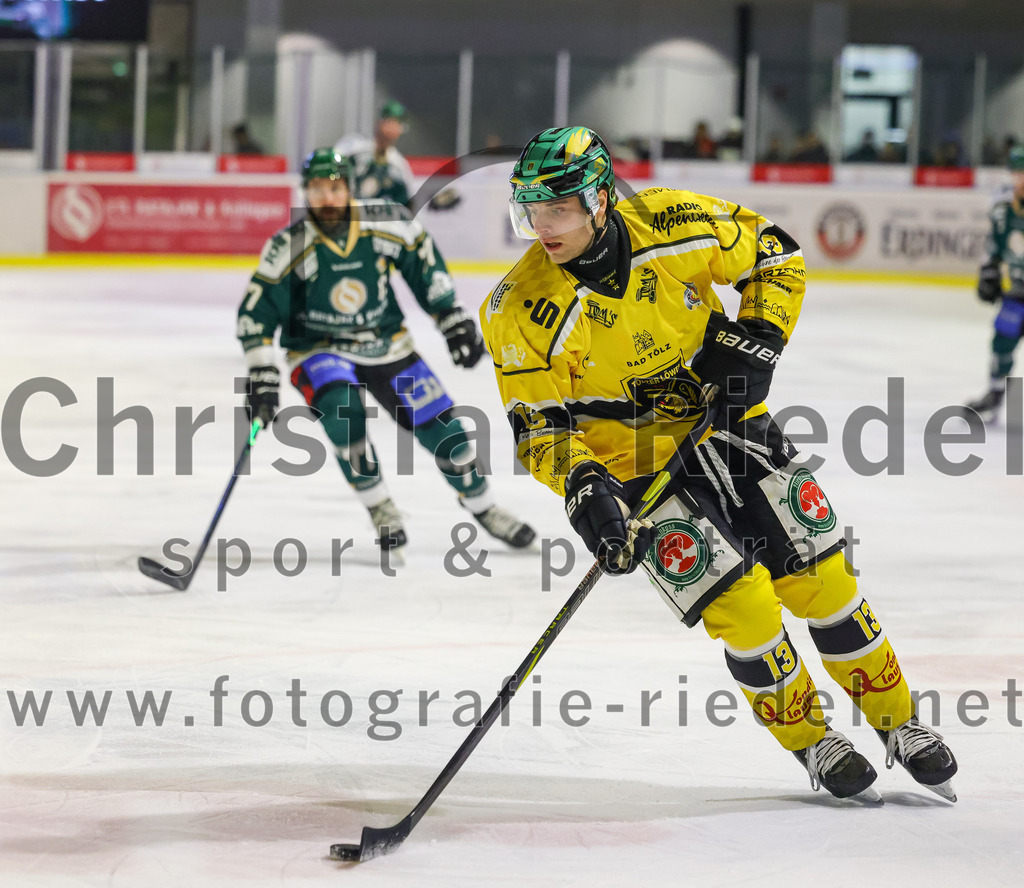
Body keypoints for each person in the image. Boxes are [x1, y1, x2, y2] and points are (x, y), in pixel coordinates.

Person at [480, 125, 958, 803]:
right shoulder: (517, 310)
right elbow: (539, 427)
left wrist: (758, 336)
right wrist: (585, 487)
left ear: (600, 199)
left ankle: (898, 722)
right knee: (747, 610)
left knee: (824, 582)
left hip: (731, 425)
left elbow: (774, 254)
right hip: (637, 471)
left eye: (556, 208)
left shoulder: (673, 221)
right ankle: (812, 740)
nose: (542, 226)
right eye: (531, 210)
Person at [237, 147, 535, 553]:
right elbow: (255, 315)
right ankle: (381, 508)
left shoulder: (387, 222)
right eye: (317, 189)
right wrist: (261, 374)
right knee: (344, 412)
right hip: (318, 349)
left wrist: (452, 319)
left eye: (336, 187)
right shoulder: (287, 246)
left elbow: (425, 268)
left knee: (447, 431)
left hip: (387, 343)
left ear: (350, 188)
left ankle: (485, 508)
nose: (327, 198)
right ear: (305, 192)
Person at [962, 146, 1024, 421]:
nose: (1021, 179)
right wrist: (989, 271)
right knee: (1002, 340)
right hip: (1019, 291)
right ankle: (995, 392)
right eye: (1018, 173)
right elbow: (994, 246)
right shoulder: (1003, 210)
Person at [334, 100, 461, 212]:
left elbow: (408, 200)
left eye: (397, 124)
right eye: (389, 122)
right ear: (380, 121)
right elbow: (329, 168)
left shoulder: (397, 164)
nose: (392, 128)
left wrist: (431, 200)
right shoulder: (354, 146)